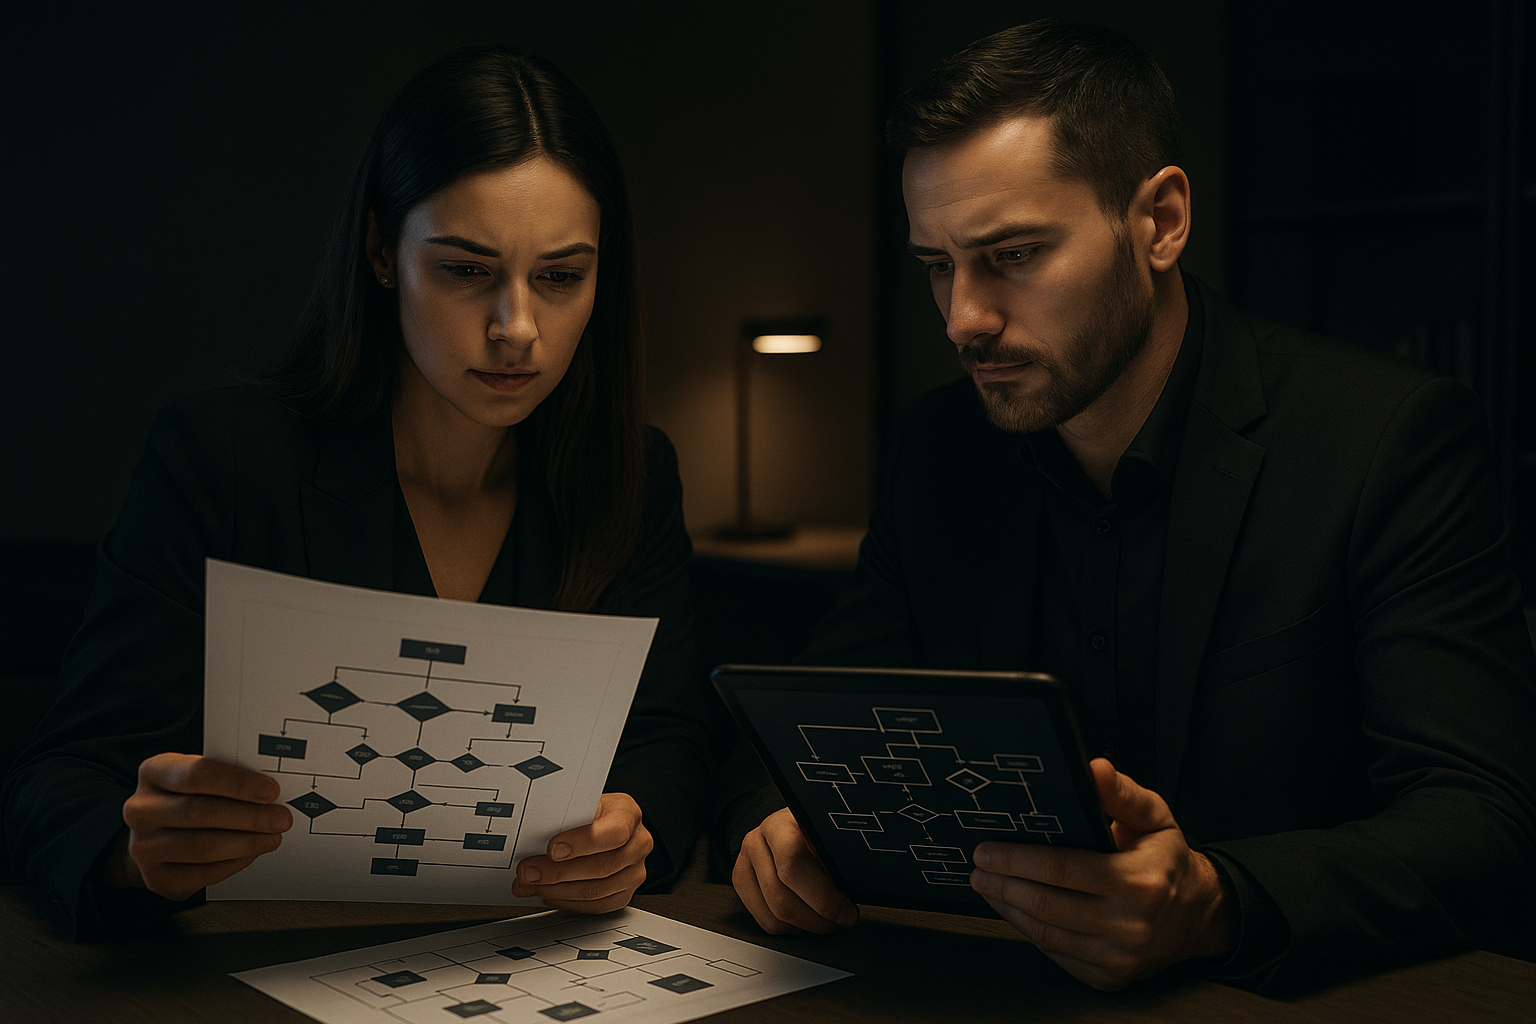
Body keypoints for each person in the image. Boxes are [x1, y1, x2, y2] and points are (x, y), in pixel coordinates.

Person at [725, 20, 1536, 995]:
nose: (964, 318)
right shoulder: (940, 449)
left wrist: (1216, 902)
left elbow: (1486, 823)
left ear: (1160, 221)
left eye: (1013, 253)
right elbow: (802, 734)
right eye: (938, 263)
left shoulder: (1384, 439)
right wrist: (781, 830)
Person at [2, 46, 716, 937]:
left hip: (521, 963)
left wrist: (628, 831)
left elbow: (670, 745)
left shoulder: (631, 475)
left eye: (561, 277)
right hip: (249, 971)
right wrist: (132, 850)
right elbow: (59, 778)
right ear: (382, 251)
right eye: (465, 270)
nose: (518, 328)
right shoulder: (221, 460)